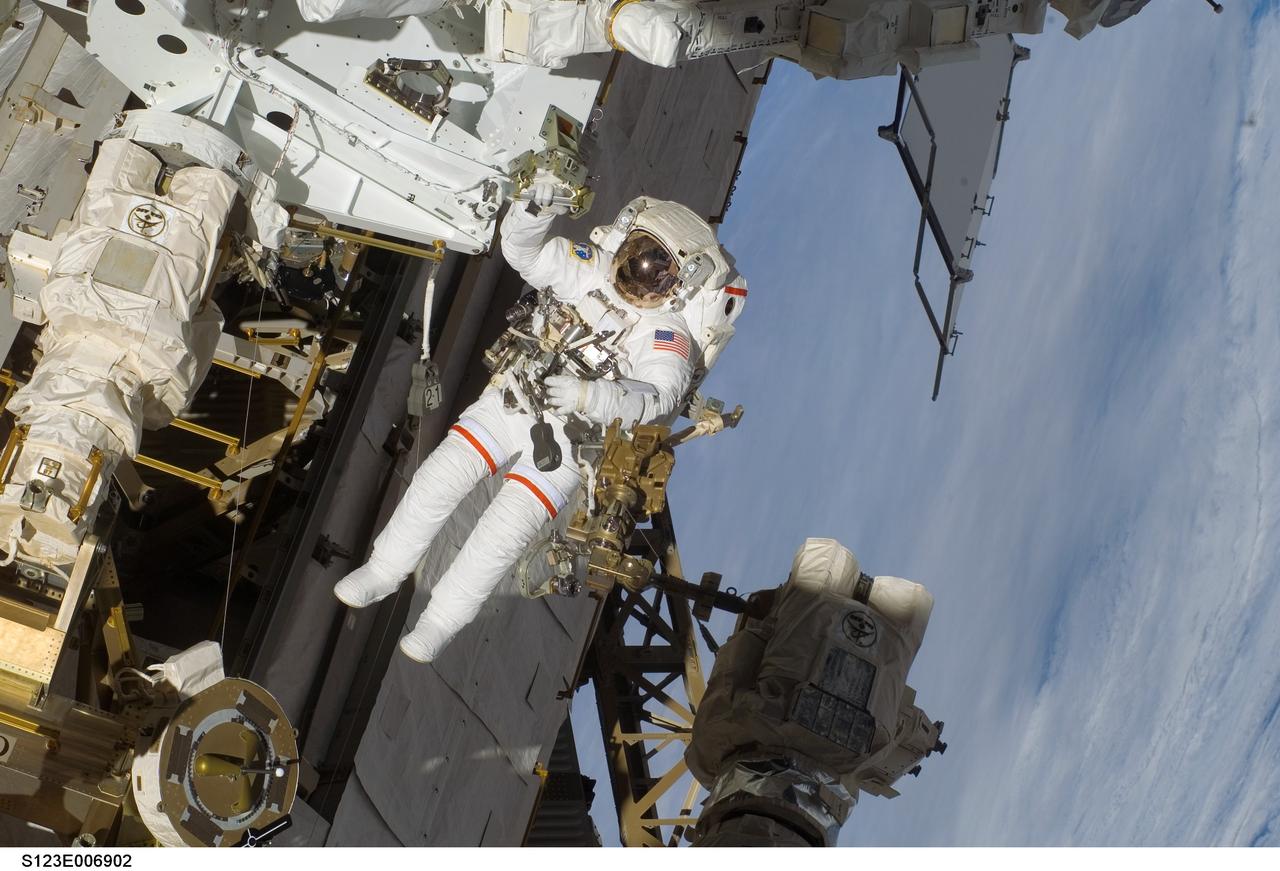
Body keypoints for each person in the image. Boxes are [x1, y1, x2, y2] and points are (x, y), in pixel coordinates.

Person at [333, 182, 737, 662]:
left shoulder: (669, 335)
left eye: (658, 272)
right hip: (513, 400)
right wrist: (534, 209)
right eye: (639, 255)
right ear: (626, 239)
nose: (641, 275)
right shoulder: (590, 267)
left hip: (570, 443)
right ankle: (382, 570)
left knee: (500, 537)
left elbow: (657, 396)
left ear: (681, 287)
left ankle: (439, 624)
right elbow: (522, 253)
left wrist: (593, 394)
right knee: (437, 480)